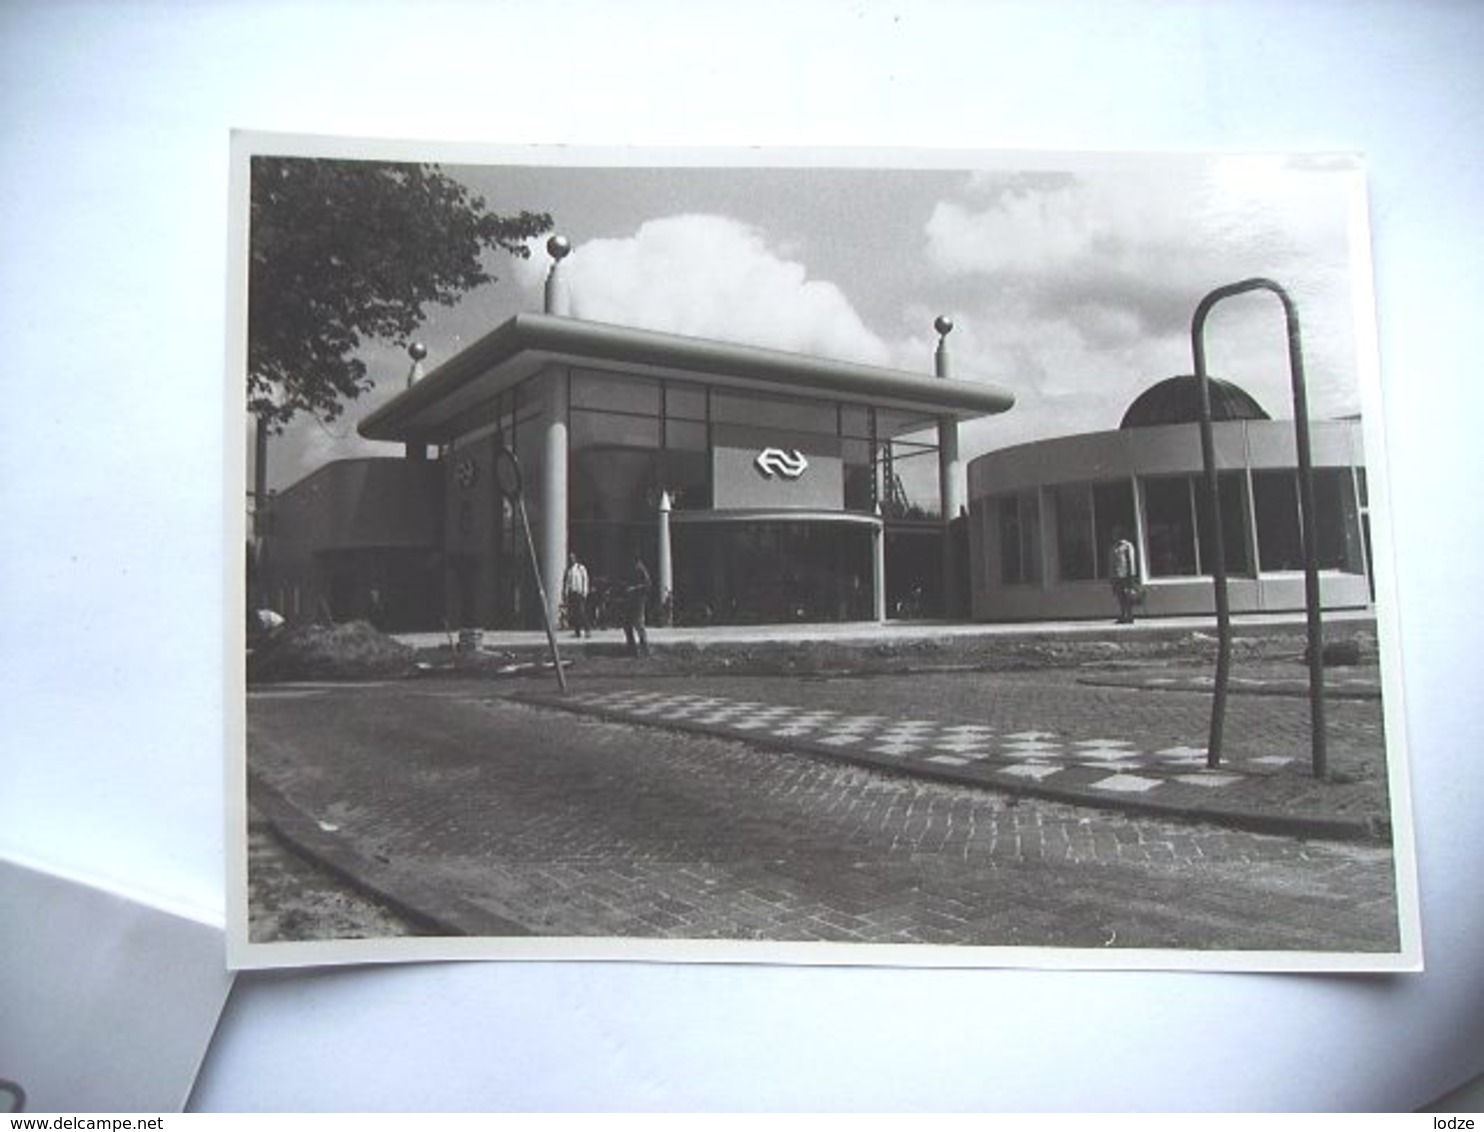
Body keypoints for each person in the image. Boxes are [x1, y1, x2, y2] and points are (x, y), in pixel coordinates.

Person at [621, 551, 652, 658]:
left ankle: (645, 650)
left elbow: (648, 584)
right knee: (627, 625)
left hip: (638, 600)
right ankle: (632, 649)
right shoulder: (632, 569)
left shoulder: (641, 569)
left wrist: (634, 588)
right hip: (630, 600)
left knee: (639, 625)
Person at [1110, 529, 1139, 624]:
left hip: (1126, 575)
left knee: (1127, 595)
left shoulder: (1127, 546)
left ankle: (1130, 616)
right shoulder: (1114, 546)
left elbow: (1131, 561)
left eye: (1116, 533)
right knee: (1120, 596)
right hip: (1116, 575)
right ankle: (1123, 615)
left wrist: (1132, 576)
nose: (1114, 535)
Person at [562, 552, 591, 638]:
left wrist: (584, 591)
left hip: (579, 592)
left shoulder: (580, 568)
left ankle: (587, 629)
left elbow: (585, 579)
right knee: (575, 613)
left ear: (575, 559)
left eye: (572, 558)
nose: (571, 560)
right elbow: (566, 583)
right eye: (570, 558)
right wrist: (565, 593)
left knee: (581, 612)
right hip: (572, 593)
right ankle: (577, 631)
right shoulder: (568, 570)